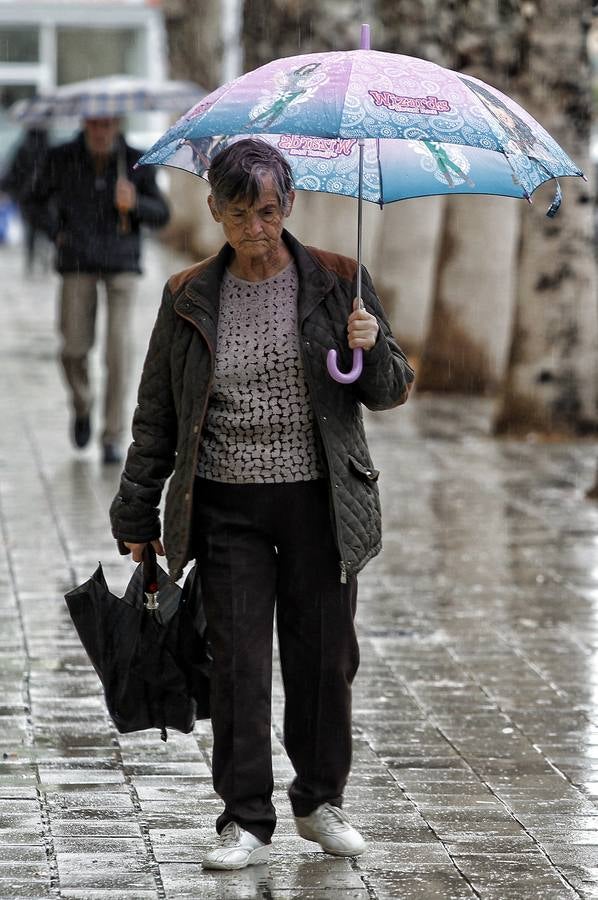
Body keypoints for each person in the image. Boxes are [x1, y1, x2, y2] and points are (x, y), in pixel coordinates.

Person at [109, 139, 414, 870]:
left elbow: (393, 388)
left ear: (291, 205)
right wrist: (135, 515)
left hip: (321, 505)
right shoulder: (187, 293)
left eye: (269, 211)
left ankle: (318, 801)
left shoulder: (342, 281)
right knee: (237, 663)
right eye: (239, 213)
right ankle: (244, 818)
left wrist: (370, 349)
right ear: (214, 209)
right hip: (225, 506)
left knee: (325, 660)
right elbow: (157, 414)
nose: (255, 228)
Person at [31, 116, 170, 464]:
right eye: (95, 124)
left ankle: (112, 434)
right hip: (76, 261)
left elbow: (162, 214)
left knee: (117, 352)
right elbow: (33, 200)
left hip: (122, 263)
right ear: (84, 123)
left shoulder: (136, 161)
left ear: (119, 124)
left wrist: (135, 203)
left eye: (108, 125)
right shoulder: (62, 157)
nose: (101, 132)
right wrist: (55, 232)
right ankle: (82, 404)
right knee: (73, 348)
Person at [0, 126, 50, 274]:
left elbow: (13, 171)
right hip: (44, 199)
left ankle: (31, 261)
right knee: (45, 230)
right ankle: (42, 260)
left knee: (31, 231)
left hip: (27, 198)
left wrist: (6, 188)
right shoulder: (49, 148)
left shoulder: (24, 147)